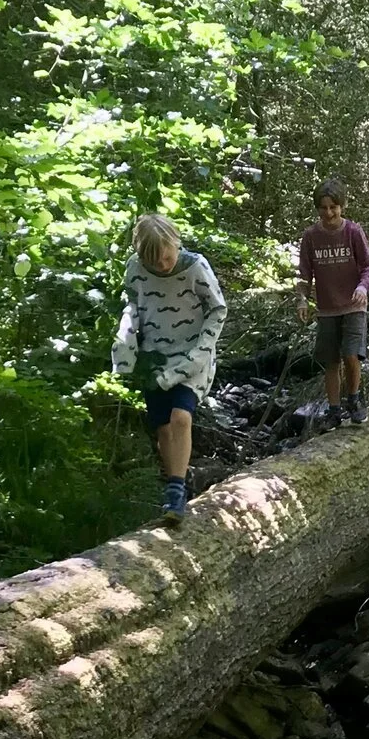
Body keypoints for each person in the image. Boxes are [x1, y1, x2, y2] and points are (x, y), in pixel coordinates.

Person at [110, 212, 226, 520]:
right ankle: (176, 476)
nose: (163, 266)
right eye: (155, 263)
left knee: (181, 418)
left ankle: (176, 491)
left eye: (166, 258)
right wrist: (126, 349)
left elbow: (217, 309)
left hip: (192, 356)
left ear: (175, 244)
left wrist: (201, 352)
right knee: (162, 426)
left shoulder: (195, 267)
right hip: (155, 357)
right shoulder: (135, 269)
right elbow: (132, 308)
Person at [295, 180, 369, 426]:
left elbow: (368, 267)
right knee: (330, 361)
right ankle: (333, 410)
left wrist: (363, 287)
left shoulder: (353, 231)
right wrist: (302, 300)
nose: (329, 213)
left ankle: (354, 399)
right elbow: (304, 274)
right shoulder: (311, 237)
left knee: (351, 355)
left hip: (353, 305)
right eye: (323, 207)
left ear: (342, 206)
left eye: (334, 207)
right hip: (327, 308)